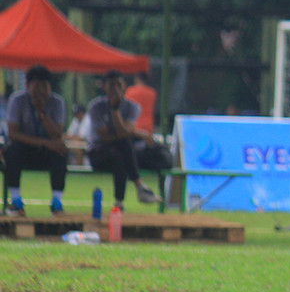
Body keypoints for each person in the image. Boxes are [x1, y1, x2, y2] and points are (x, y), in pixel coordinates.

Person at [86, 70, 161, 209]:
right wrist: (138, 133)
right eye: (111, 85)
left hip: (119, 152)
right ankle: (140, 186)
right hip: (99, 152)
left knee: (120, 153)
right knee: (123, 145)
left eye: (118, 85)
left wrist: (116, 110)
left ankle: (120, 203)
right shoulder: (96, 106)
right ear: (104, 87)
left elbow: (125, 132)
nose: (115, 89)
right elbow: (106, 137)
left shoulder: (132, 106)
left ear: (124, 86)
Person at [3, 65, 68, 216]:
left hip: (47, 153)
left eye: (44, 86)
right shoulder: (17, 100)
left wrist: (42, 113)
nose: (40, 91)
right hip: (24, 149)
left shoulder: (57, 102)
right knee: (12, 150)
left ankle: (56, 201)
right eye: (36, 86)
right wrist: (44, 142)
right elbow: (13, 133)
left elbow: (57, 134)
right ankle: (16, 201)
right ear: (27, 86)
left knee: (61, 150)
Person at [125, 72, 172, 171]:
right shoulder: (151, 93)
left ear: (136, 79)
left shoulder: (130, 91)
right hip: (147, 128)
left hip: (135, 128)